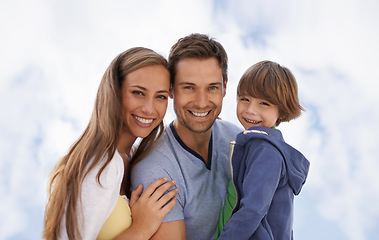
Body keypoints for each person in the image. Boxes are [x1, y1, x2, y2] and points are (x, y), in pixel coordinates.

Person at [43, 47, 179, 240]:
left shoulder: (132, 157)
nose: (149, 108)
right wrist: (141, 229)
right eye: (138, 93)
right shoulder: (99, 164)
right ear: (115, 92)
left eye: (161, 96)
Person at [131, 33, 242, 240]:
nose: (201, 102)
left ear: (225, 86)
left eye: (212, 88)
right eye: (189, 87)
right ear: (171, 88)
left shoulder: (237, 138)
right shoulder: (155, 168)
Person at [215, 60, 310, 239]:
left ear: (281, 111)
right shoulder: (254, 145)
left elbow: (253, 209)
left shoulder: (266, 151)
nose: (251, 110)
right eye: (245, 99)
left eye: (264, 103)